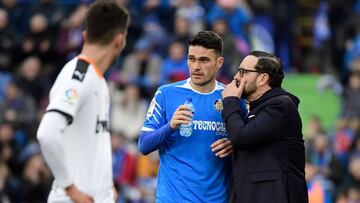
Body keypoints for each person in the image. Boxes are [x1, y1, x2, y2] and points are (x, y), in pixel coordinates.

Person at [36, 1, 129, 203]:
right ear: (119, 40)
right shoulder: (78, 76)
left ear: (86, 36)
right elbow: (47, 133)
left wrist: (107, 187)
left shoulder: (99, 80)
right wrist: (69, 188)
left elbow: (92, 140)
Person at [138, 31, 233, 203]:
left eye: (204, 60)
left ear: (219, 62)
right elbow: (144, 145)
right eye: (192, 58)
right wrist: (170, 126)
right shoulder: (166, 94)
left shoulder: (230, 98)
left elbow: (251, 143)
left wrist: (235, 144)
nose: (196, 66)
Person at [221, 51, 308, 203]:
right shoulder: (256, 109)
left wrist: (230, 101)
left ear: (263, 79)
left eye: (243, 72)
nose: (236, 77)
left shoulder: (281, 105)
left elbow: (242, 137)